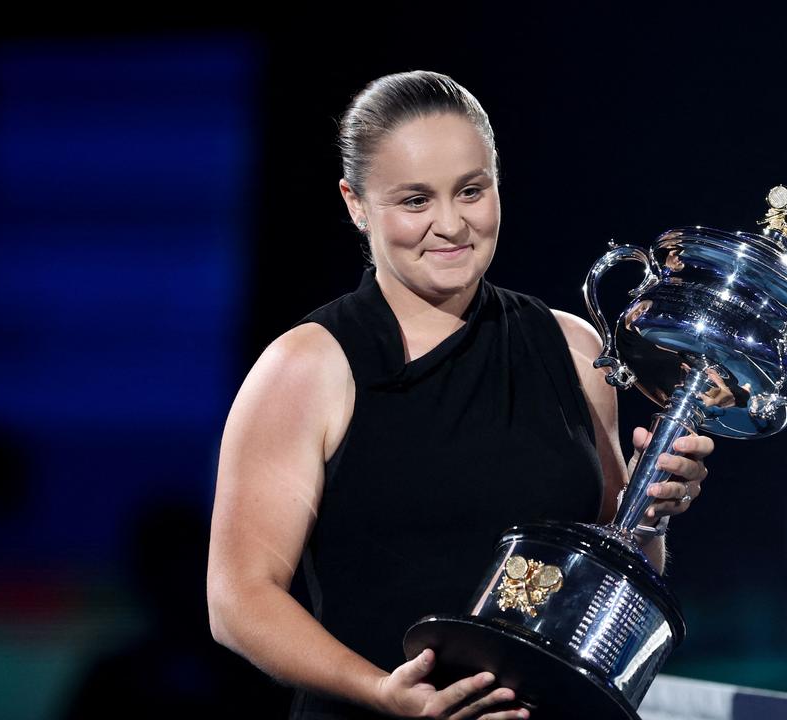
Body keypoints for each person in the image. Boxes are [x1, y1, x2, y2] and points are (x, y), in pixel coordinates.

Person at [206, 70, 714, 720]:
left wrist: (653, 512)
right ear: (356, 203)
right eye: (415, 201)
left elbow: (617, 572)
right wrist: (383, 693)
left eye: (470, 191)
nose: (450, 225)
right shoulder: (308, 366)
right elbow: (239, 599)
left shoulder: (573, 348)